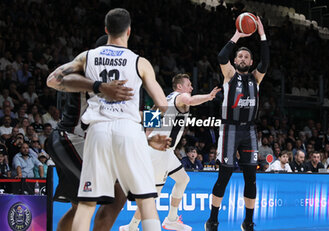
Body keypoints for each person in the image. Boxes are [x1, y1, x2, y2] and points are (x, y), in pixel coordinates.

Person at [48, 9, 168, 231]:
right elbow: (162, 105)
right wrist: (155, 130)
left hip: (96, 133)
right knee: (144, 200)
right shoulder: (138, 62)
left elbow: (53, 80)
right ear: (129, 31)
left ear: (106, 30)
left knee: (84, 204)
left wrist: (98, 87)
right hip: (78, 136)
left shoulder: (87, 59)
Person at [120, 73, 220, 231]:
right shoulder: (181, 97)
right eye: (189, 85)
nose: (192, 88)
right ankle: (131, 227)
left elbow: (151, 117)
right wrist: (208, 97)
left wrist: (145, 142)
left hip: (164, 151)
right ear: (180, 87)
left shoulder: (166, 98)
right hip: (160, 152)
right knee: (153, 196)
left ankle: (171, 218)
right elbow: (190, 100)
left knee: (183, 179)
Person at [205, 16, 269, 231]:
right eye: (239, 55)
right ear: (235, 61)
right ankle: (212, 220)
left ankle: (248, 222)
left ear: (251, 62)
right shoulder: (230, 75)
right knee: (224, 175)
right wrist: (238, 34)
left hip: (249, 131)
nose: (242, 58)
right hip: (229, 128)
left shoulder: (256, 78)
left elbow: (266, 61)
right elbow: (221, 55)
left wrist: (261, 34)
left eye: (246, 56)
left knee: (251, 179)